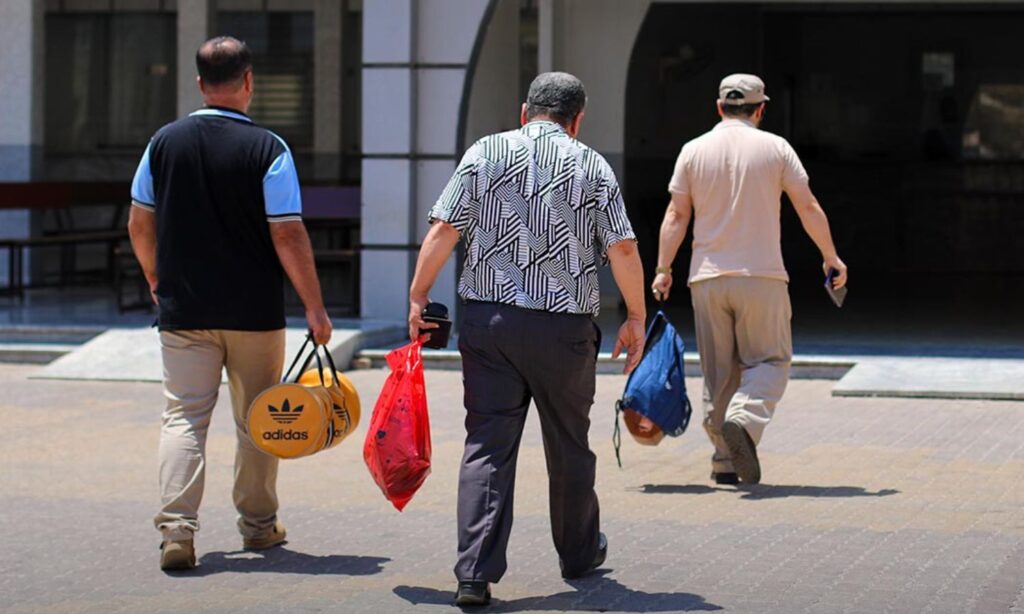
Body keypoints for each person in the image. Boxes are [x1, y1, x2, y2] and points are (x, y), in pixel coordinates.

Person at [408, 72, 646, 606]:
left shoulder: (485, 153)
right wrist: (635, 315)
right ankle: (579, 554)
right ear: (577, 119)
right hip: (563, 332)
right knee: (568, 445)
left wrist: (418, 295)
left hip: (489, 326)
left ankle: (474, 572)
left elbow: (444, 230)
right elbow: (623, 249)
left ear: (525, 111)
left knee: (487, 445)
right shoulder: (591, 165)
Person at [127, 36, 332, 571]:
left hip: (184, 309)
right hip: (253, 312)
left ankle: (177, 529)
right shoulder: (268, 149)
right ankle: (259, 527)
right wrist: (315, 307)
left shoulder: (162, 143)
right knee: (258, 419)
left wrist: (155, 277)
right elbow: (287, 235)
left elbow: (139, 222)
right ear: (248, 83)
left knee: (184, 417)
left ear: (198, 84)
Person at [651, 74, 847, 486]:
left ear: (719, 107)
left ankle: (724, 460)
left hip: (706, 278)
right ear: (760, 110)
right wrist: (830, 256)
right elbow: (807, 205)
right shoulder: (776, 148)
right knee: (770, 360)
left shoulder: (693, 150)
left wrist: (663, 269)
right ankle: (743, 420)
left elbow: (675, 215)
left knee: (719, 372)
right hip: (761, 276)